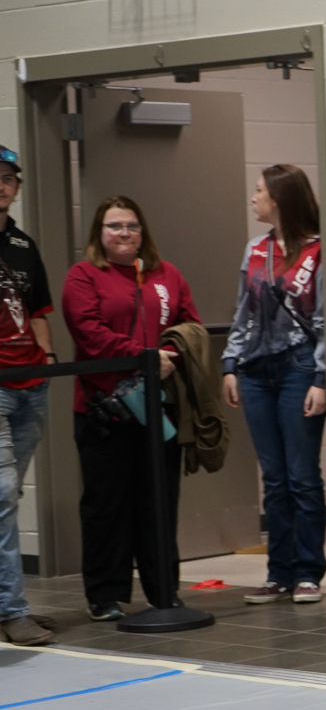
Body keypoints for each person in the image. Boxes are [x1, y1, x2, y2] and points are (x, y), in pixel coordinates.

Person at [63, 196, 199, 620]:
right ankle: (105, 595)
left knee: (160, 502)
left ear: (143, 232)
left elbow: (189, 326)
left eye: (132, 226)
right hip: (104, 409)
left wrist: (169, 356)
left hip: (158, 408)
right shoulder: (83, 276)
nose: (124, 233)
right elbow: (90, 334)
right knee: (106, 505)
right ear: (99, 233)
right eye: (114, 226)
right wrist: (144, 356)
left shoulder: (167, 274)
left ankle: (164, 591)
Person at [222, 165, 326, 605]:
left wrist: (321, 376)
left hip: (299, 368)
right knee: (275, 478)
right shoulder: (256, 249)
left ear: (279, 199)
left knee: (302, 476)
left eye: (259, 190)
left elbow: (324, 318)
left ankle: (308, 571)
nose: (253, 197)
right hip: (255, 371)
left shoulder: (318, 251)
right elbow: (243, 312)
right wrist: (230, 364)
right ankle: (278, 572)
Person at [0, 146, 57, 646]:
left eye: (7, 178)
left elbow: (38, 310)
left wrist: (49, 359)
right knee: (1, 492)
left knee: (8, 496)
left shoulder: (22, 244)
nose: (0, 186)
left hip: (31, 384)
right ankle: (13, 610)